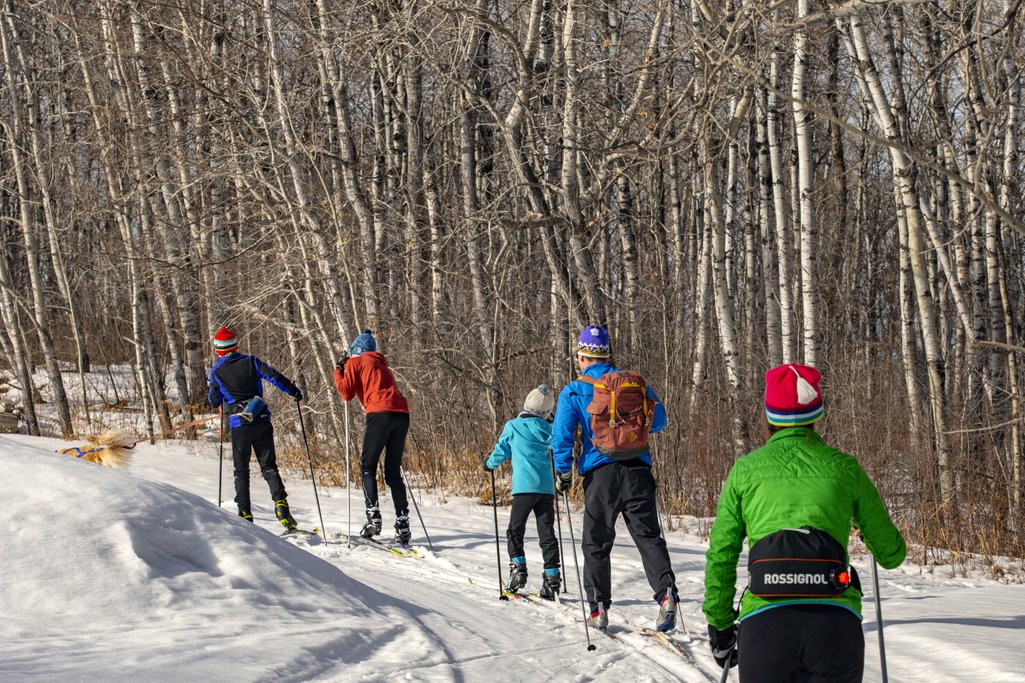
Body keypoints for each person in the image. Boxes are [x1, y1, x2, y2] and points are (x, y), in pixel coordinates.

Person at [702, 363, 907, 682]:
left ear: (770, 415)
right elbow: (892, 555)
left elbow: (722, 553)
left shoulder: (745, 471)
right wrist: (866, 531)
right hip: (835, 628)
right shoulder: (845, 469)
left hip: (765, 626)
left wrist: (720, 624)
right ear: (816, 414)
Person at [552, 324, 676, 632]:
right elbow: (659, 421)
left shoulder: (574, 390)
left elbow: (562, 437)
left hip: (600, 473)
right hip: (638, 472)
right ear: (608, 354)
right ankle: (666, 596)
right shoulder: (633, 384)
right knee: (648, 538)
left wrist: (563, 473)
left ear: (581, 356)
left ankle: (599, 607)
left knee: (596, 542)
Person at [207, 326, 304, 530]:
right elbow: (275, 377)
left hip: (239, 425)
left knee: (241, 471)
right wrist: (294, 391)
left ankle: (244, 514)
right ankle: (282, 508)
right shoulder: (251, 361)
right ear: (235, 345)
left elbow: (213, 401)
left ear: (218, 350)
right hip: (260, 419)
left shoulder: (217, 372)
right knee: (268, 466)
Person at [333, 329, 412, 544]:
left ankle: (373, 518)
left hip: (380, 414)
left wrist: (339, 370)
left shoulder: (355, 362)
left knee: (367, 466)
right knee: (393, 473)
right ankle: (402, 523)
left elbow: (346, 393)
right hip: (401, 415)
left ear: (355, 351)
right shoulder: (383, 366)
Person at [484, 385, 561, 600]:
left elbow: (501, 450)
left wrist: (489, 464)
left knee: (515, 530)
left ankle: (518, 569)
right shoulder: (549, 430)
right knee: (547, 532)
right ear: (547, 411)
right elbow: (560, 446)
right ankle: (552, 578)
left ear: (527, 404)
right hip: (545, 489)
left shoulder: (514, 426)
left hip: (523, 489)